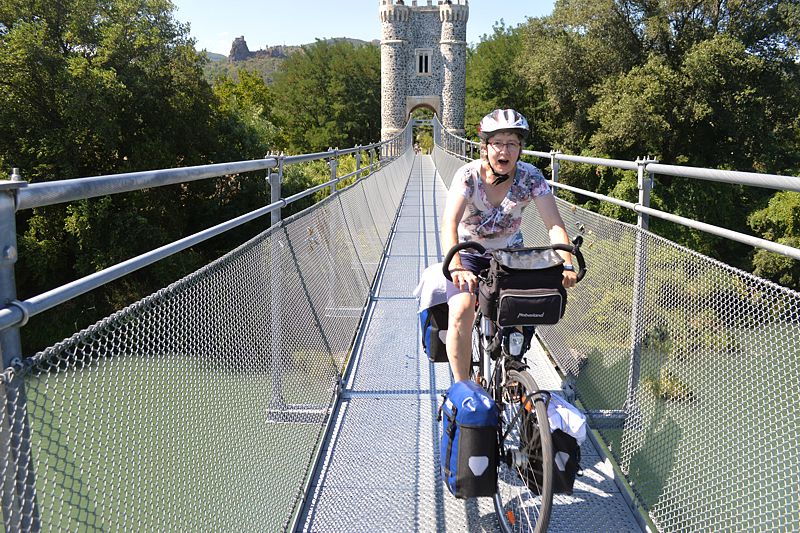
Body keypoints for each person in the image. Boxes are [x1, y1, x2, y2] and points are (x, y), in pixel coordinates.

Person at [441, 109, 578, 382]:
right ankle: (463, 387)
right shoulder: (468, 176)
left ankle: (513, 367)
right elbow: (449, 222)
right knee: (462, 309)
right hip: (469, 253)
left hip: (511, 255)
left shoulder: (531, 177)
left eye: (512, 143)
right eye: (498, 143)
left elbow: (553, 224)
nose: (505, 151)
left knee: (526, 305)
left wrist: (566, 262)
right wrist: (456, 267)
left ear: (520, 149)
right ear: (485, 147)